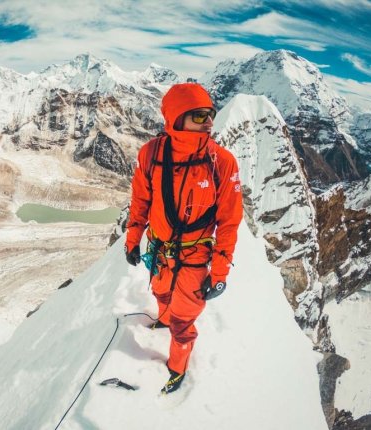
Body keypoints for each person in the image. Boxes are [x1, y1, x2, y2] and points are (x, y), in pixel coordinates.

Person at [124, 82, 243, 394]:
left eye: (210, 115)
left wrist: (219, 273)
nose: (208, 122)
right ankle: (163, 319)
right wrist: (133, 239)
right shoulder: (151, 154)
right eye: (199, 115)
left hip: (194, 256)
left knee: (184, 319)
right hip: (160, 249)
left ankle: (176, 368)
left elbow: (229, 222)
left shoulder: (222, 162)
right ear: (177, 117)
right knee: (162, 293)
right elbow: (140, 201)